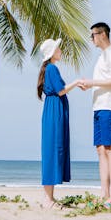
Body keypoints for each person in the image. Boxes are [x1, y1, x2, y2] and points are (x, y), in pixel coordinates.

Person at [77, 22, 111, 208]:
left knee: (109, 147)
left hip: (109, 105)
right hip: (98, 106)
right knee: (100, 150)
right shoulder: (102, 57)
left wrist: (91, 82)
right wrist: (90, 85)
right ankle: (104, 194)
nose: (92, 39)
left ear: (102, 34)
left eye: (93, 35)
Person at [38, 37, 79, 208]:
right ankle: (48, 199)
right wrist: (77, 82)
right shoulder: (52, 68)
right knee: (52, 150)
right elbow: (61, 91)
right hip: (54, 111)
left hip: (54, 110)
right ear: (52, 53)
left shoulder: (49, 69)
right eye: (58, 48)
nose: (61, 51)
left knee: (53, 149)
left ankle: (50, 197)